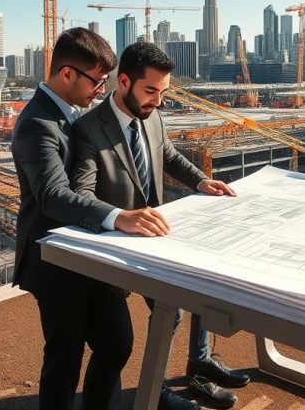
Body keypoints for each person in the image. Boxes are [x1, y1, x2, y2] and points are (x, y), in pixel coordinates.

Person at [72, 42, 250, 410]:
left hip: (156, 235)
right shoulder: (88, 129)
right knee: (162, 317)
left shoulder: (152, 115)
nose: (159, 100)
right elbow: (81, 194)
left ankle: (197, 366)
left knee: (197, 285)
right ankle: (158, 390)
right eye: (151, 90)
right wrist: (121, 218)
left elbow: (166, 154)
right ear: (123, 82)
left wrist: (201, 181)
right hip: (116, 245)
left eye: (163, 92)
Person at [11, 28, 170, 410]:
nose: (101, 90)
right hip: (55, 261)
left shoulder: (69, 116)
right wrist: (118, 217)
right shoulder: (38, 123)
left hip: (88, 253)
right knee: (64, 362)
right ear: (68, 74)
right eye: (97, 81)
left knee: (116, 345)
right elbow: (53, 196)